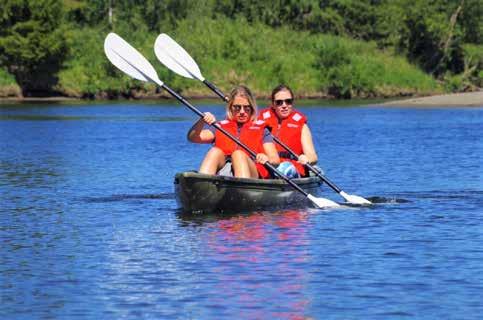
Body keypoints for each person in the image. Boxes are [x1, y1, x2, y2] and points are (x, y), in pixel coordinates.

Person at [188, 85, 280, 179]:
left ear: (252, 108)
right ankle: (204, 185)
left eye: (246, 107)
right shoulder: (220, 126)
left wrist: (266, 158)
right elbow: (193, 137)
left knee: (238, 154)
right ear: (230, 107)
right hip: (225, 169)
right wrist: (202, 121)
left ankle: (243, 188)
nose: (242, 111)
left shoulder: (262, 129)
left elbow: (275, 159)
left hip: (252, 171)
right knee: (214, 151)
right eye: (237, 107)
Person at [258, 84, 318, 178]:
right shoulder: (260, 120)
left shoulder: (301, 125)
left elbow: (313, 156)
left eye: (288, 101)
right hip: (267, 163)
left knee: (284, 169)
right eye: (279, 102)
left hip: (291, 167)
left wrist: (307, 159)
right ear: (273, 104)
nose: (284, 105)